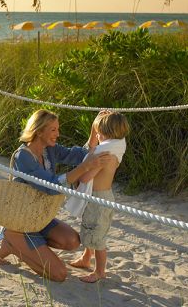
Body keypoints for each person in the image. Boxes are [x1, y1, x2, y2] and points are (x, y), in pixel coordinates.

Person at [0, 109, 112, 282]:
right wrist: (85, 168)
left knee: (72, 241)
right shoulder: (23, 157)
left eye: (57, 129)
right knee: (59, 275)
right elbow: (51, 187)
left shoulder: (50, 150)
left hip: (38, 218)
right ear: (39, 131)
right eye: (53, 130)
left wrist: (95, 130)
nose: (58, 134)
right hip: (20, 221)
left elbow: (79, 155)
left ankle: (20, 246)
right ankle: (13, 239)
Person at [68, 111, 129, 283]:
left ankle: (100, 271)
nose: (97, 137)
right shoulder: (114, 151)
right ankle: (86, 258)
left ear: (106, 134)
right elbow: (94, 148)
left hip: (99, 199)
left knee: (97, 236)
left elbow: (86, 177)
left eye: (99, 133)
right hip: (102, 196)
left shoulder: (104, 156)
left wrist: (81, 173)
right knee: (90, 228)